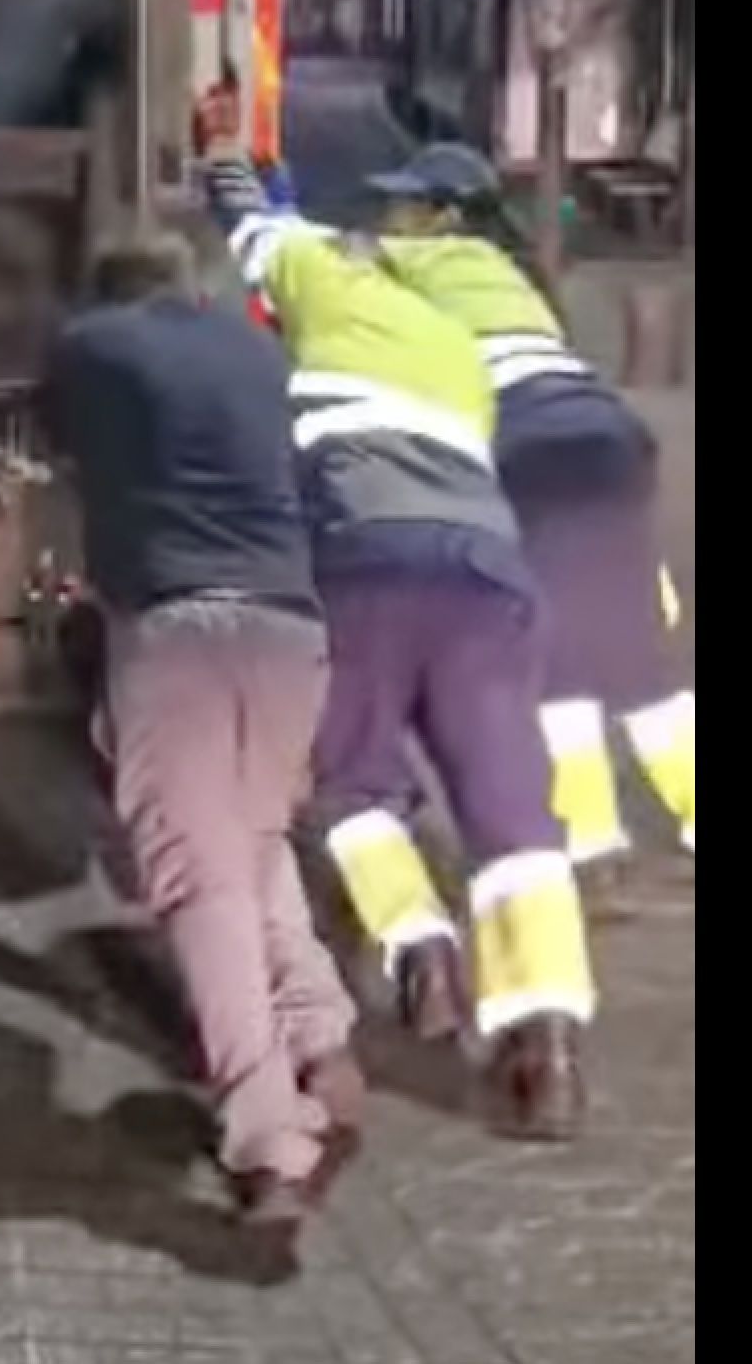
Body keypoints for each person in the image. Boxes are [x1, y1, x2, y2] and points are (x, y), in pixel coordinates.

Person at [202, 127, 593, 1141]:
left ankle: (418, 946)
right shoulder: (455, 351)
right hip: (488, 576)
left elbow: (249, 220)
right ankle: (545, 1045)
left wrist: (218, 148)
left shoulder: (326, 281)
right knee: (511, 814)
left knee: (349, 781)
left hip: (365, 562)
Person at [42, 228, 367, 1226]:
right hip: (286, 624)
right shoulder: (259, 349)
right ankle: (321, 1032)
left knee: (196, 876)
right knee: (251, 833)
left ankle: (270, 1136)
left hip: (174, 627)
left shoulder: (91, 343)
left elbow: (58, 447)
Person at [367, 144, 694, 863]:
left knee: (553, 656)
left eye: (405, 203)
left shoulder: (412, 274)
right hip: (609, 440)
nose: (390, 214)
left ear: (445, 215)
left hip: (529, 454)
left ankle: (591, 840)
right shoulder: (522, 279)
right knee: (629, 650)